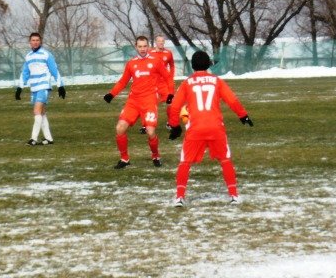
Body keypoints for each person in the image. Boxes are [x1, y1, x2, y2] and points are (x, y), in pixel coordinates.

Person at [167, 50, 253, 207]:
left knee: (185, 162)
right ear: (208, 64)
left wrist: (174, 126)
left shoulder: (187, 83)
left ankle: (179, 197)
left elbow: (175, 107)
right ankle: (233, 195)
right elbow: (232, 100)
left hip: (195, 128)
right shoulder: (216, 81)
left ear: (192, 66)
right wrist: (243, 115)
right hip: (215, 127)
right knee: (225, 159)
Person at [103, 36, 174, 169]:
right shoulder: (131, 63)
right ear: (136, 47)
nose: (142, 49)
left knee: (151, 132)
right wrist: (111, 94)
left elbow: (167, 77)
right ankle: (124, 159)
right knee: (120, 128)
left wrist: (170, 93)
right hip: (133, 101)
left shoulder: (156, 61)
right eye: (140, 46)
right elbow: (123, 81)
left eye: (145, 46)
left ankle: (155, 155)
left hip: (149, 101)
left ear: (148, 46)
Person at [15, 32, 66, 146]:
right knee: (42, 113)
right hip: (34, 88)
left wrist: (60, 86)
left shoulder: (46, 54)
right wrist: (19, 87)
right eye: (33, 40)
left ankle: (33, 139)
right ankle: (49, 139)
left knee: (36, 111)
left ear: (40, 41)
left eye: (37, 40)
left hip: (44, 86)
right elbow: (25, 73)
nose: (35, 42)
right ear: (30, 42)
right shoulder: (28, 56)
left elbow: (54, 70)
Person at [146, 34, 176, 132]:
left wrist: (171, 76)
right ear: (156, 42)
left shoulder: (168, 53)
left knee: (170, 102)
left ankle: (170, 123)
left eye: (163, 41)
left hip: (164, 83)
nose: (161, 43)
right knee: (149, 104)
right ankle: (146, 124)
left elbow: (172, 65)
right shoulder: (149, 53)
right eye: (159, 41)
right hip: (152, 83)